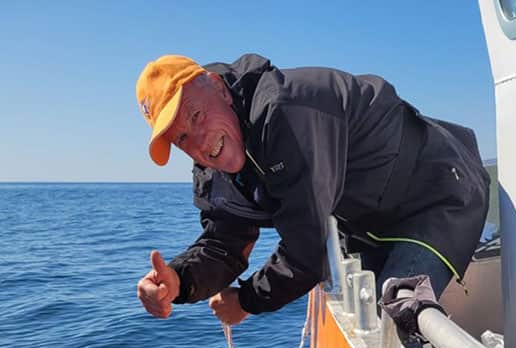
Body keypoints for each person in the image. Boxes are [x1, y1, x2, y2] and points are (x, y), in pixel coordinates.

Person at [135, 53, 489, 328]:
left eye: (196, 116)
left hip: (436, 196)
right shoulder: (214, 167)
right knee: (361, 319)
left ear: (220, 89)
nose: (198, 141)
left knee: (394, 320)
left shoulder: (286, 112)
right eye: (180, 137)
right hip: (369, 224)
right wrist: (179, 281)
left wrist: (245, 301)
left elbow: (306, 251)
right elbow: (224, 243)